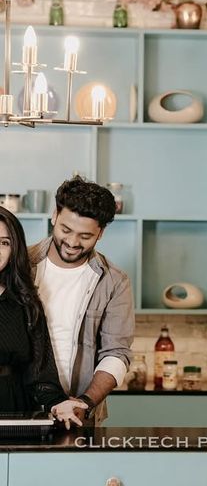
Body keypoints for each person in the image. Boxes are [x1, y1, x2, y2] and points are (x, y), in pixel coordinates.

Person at [28, 176, 135, 423]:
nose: (73, 243)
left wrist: (84, 402)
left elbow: (116, 353)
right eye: (66, 230)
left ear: (101, 232)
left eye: (85, 236)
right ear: (54, 215)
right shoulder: (20, 265)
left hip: (82, 413)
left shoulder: (114, 281)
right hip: (23, 406)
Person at [0, 206, 86, 429]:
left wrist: (58, 403)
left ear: (13, 250)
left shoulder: (25, 302)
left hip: (13, 411)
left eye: (4, 243)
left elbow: (40, 372)